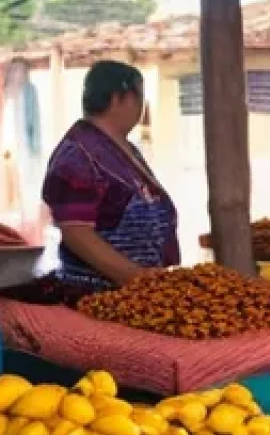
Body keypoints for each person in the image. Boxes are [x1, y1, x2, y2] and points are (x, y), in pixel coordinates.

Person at [41, 60, 180, 295]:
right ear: (118, 98)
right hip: (96, 294)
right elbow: (77, 233)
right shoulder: (77, 154)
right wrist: (139, 280)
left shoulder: (123, 148)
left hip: (137, 292)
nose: (142, 107)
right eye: (139, 97)